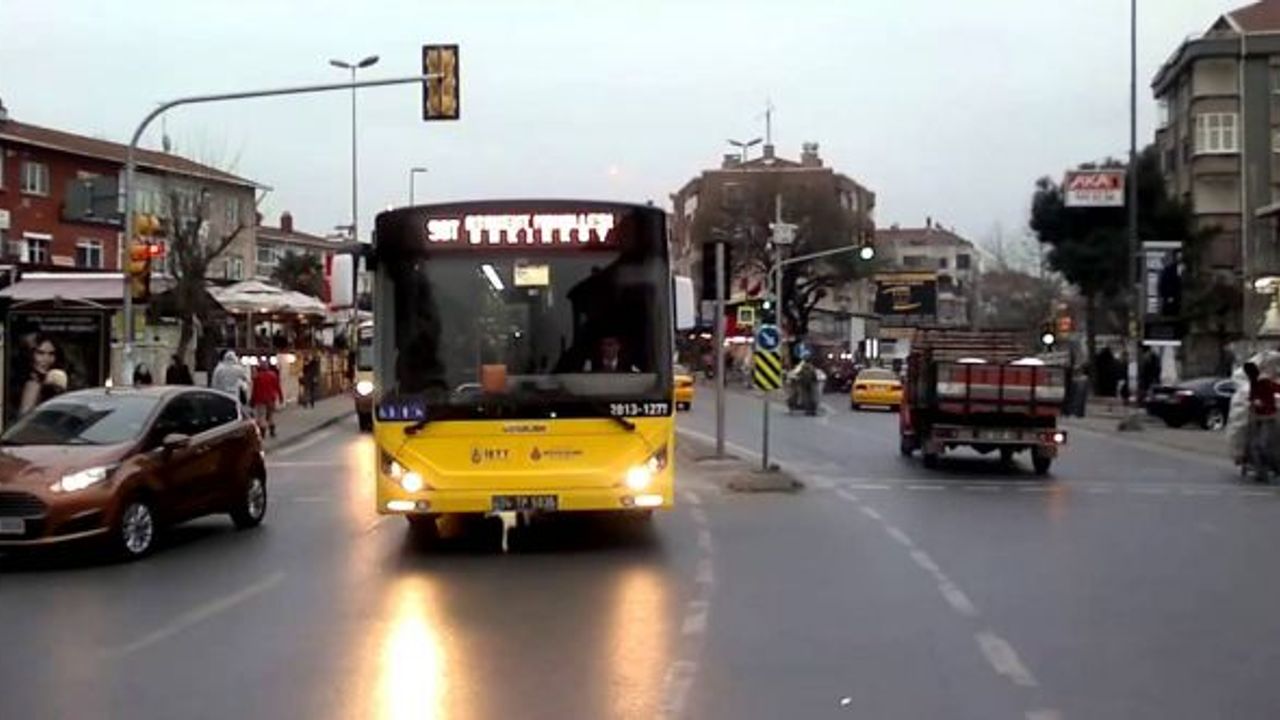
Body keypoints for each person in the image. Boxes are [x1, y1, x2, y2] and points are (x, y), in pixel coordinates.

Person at [1244, 361, 1277, 482]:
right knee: (1255, 446)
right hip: (1259, 418)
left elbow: (1276, 389)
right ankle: (1262, 473)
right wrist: (1254, 402)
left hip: (1267, 417)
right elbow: (1252, 397)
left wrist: (1260, 402)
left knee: (1262, 446)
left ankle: (1273, 468)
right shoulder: (1254, 383)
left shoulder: (1264, 382)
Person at [17, 333, 64, 417]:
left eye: (51, 354)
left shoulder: (49, 380)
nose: (46, 359)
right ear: (31, 355)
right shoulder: (33, 384)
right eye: (40, 353)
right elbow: (24, 418)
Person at [251, 361, 285, 438]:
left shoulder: (257, 377)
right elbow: (278, 387)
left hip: (260, 399)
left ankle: (262, 433)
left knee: (261, 416)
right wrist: (281, 397)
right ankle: (272, 431)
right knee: (271, 415)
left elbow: (254, 390)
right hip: (271, 399)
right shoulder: (273, 375)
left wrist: (252, 401)